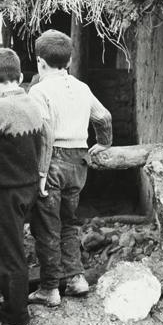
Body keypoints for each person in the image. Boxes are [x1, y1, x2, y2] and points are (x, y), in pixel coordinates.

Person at [28, 29, 113, 307]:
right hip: (78, 162)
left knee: (47, 226)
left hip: (52, 162)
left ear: (40, 62)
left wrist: (41, 173)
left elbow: (44, 134)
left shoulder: (39, 91)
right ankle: (77, 279)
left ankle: (50, 289)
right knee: (69, 222)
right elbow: (103, 116)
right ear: (69, 59)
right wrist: (103, 143)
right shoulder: (82, 87)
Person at [0, 48, 52, 325]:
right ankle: (15, 308)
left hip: (4, 191)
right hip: (27, 187)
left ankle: (15, 319)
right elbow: (46, 137)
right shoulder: (31, 101)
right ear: (19, 76)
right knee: (16, 249)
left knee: (8, 255)